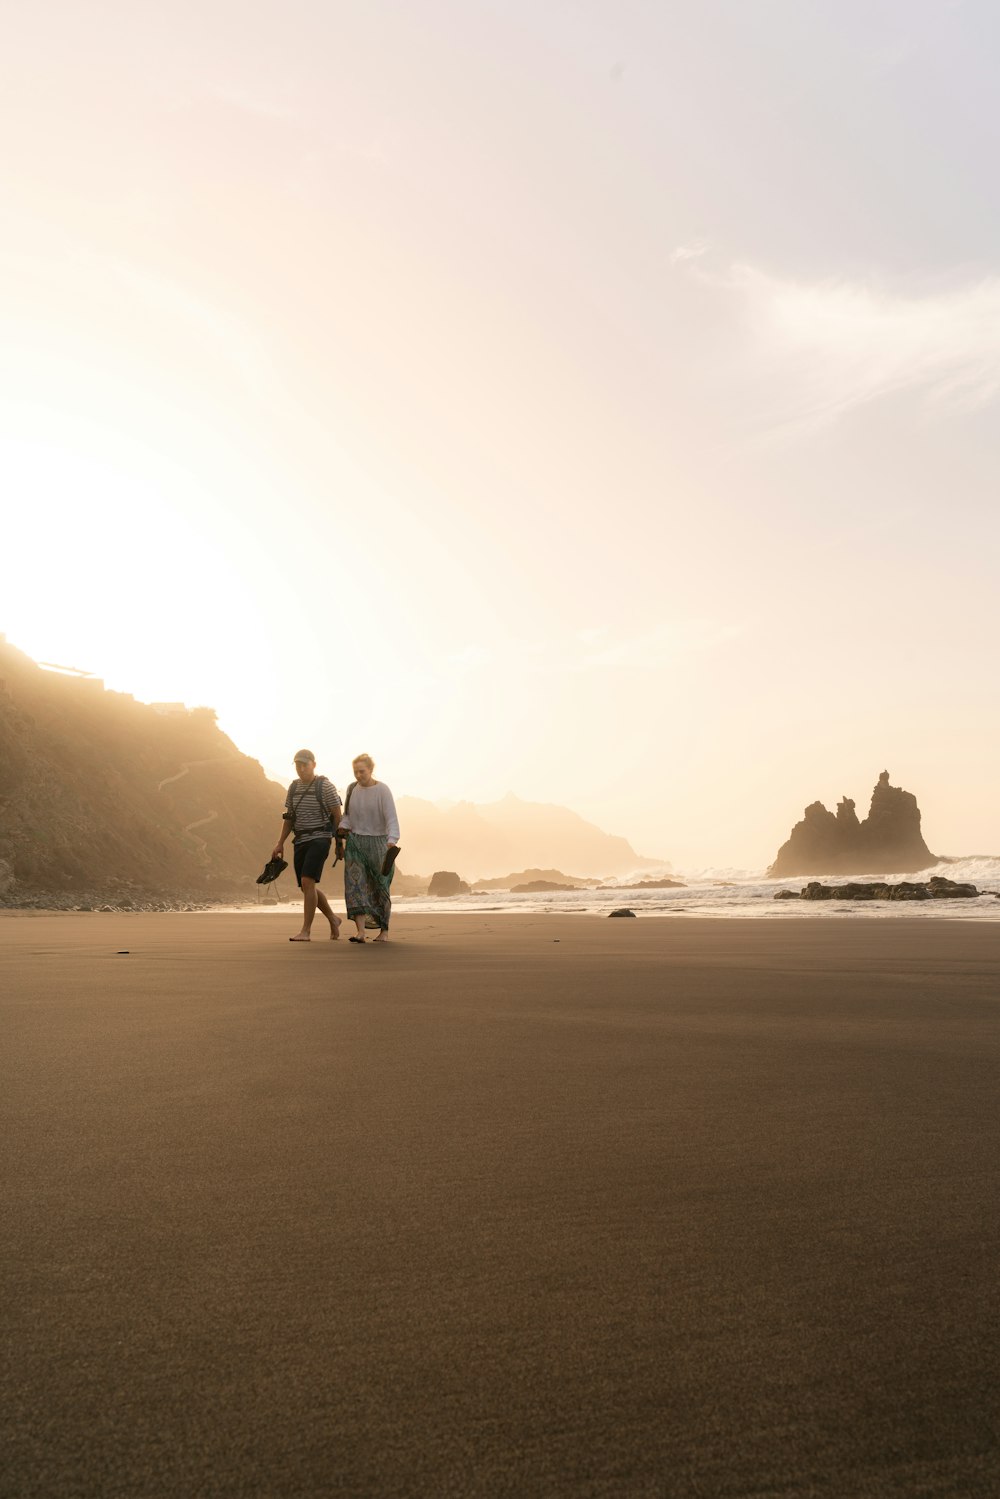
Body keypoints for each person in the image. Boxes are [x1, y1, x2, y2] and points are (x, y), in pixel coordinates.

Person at [271, 750, 343, 942]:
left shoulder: (325, 787)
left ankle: (306, 931)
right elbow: (289, 818)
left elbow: (337, 816)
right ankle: (333, 919)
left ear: (314, 764)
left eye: (305, 764)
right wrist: (280, 843)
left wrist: (339, 843)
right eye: (298, 765)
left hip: (320, 838)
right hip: (300, 840)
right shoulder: (293, 788)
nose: (301, 769)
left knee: (307, 882)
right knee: (306, 886)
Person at [337, 754, 399, 943]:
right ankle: (361, 932)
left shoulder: (382, 790)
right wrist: (343, 827)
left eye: (362, 771)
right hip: (355, 843)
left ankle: (384, 932)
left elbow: (391, 818)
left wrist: (392, 840)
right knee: (355, 886)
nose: (358, 775)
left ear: (371, 770)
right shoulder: (352, 789)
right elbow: (348, 815)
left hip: (379, 843)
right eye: (355, 771)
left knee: (381, 887)